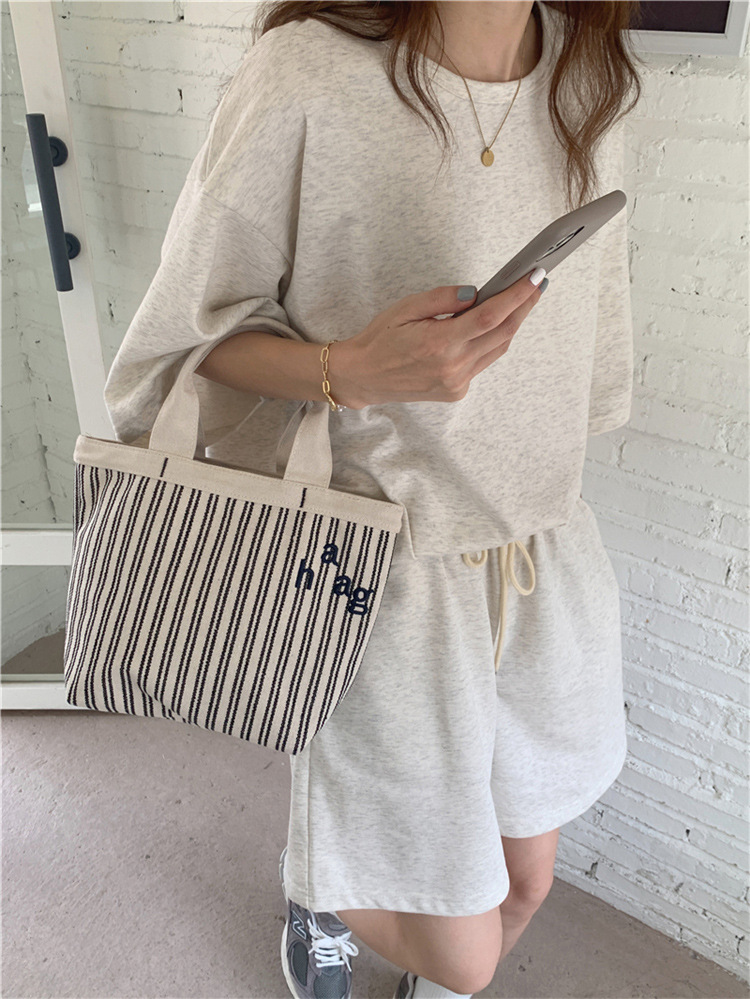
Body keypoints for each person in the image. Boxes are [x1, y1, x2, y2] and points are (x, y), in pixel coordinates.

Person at [102, 1, 645, 997]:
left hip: (540, 553)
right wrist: (345, 371)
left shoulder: (593, 80)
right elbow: (175, 351)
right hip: (376, 571)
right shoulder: (307, 72)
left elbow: (587, 365)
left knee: (525, 884)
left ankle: (340, 865)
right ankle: (319, 887)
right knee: (465, 959)